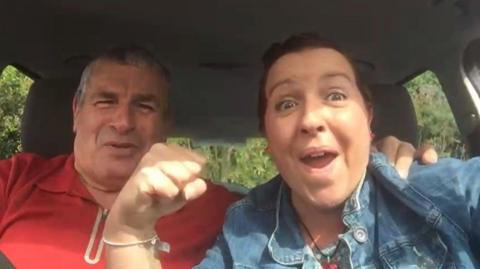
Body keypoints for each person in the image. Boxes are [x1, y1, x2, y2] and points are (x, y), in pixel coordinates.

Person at [0, 45, 434, 269]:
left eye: (145, 106)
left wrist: (372, 170)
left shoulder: (234, 217)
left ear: (165, 124)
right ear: (76, 112)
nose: (123, 121)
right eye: (105, 101)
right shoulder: (13, 181)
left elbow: (319, 209)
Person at [103, 34, 479, 269]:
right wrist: (128, 229)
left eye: (334, 95)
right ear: (268, 140)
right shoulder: (243, 231)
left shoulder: (438, 190)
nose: (311, 119)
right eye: (285, 104)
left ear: (367, 121)